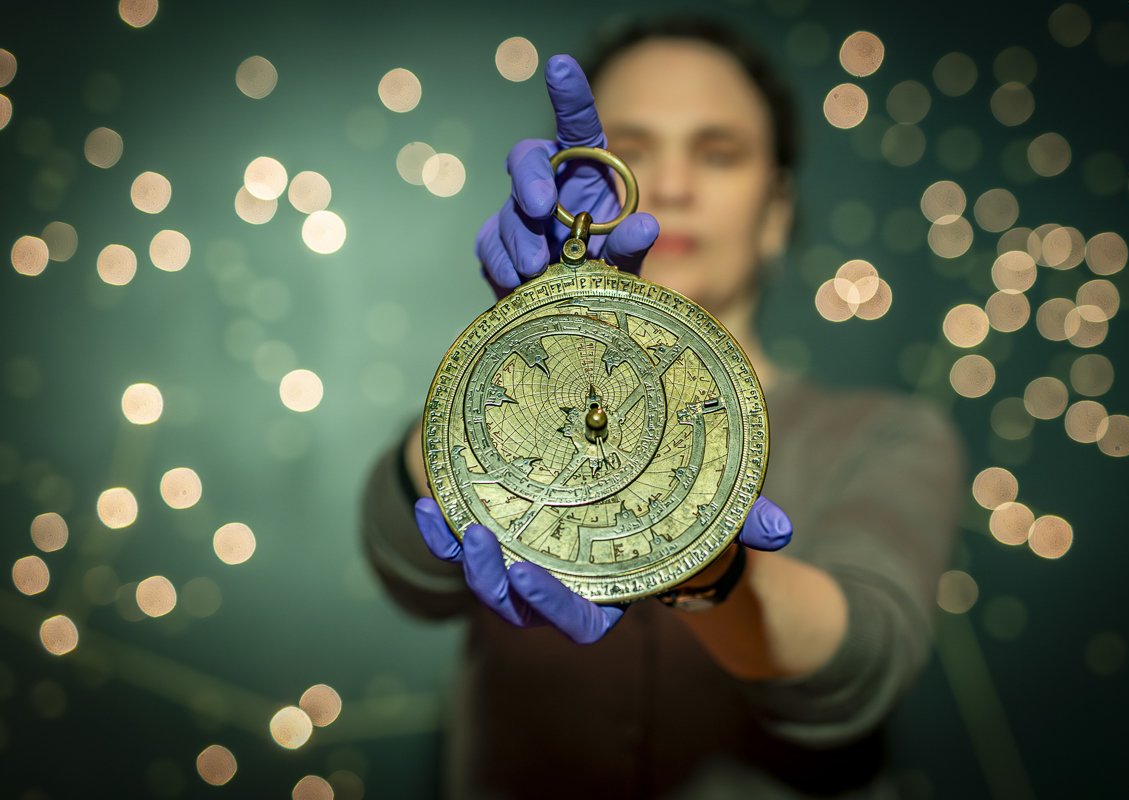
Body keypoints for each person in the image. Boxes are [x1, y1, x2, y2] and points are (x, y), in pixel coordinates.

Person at [360, 16, 967, 800]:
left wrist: (703, 564)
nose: (673, 186)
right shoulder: (511, 404)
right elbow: (407, 565)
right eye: (632, 152)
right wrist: (513, 352)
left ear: (777, 208)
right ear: (570, 180)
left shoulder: (889, 434)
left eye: (718, 153)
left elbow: (858, 671)